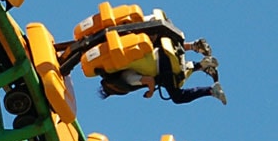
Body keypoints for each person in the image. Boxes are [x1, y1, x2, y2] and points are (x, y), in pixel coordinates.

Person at [96, 38, 226, 105]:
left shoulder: (127, 78)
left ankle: (211, 90)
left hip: (163, 65)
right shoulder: (122, 62)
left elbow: (150, 81)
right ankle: (199, 60)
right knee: (172, 81)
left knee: (177, 97)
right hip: (160, 50)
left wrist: (150, 92)